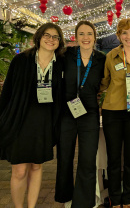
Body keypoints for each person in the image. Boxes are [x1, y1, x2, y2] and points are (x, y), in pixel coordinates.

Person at [0, 23, 65, 208]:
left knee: (36, 166)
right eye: (47, 35)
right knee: (19, 170)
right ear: (39, 36)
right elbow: (7, 93)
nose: (51, 39)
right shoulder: (21, 60)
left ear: (59, 42)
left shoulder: (60, 63)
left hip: (44, 123)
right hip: (19, 121)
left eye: (55, 37)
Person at [55, 20, 106, 208]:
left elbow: (105, 81)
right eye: (82, 34)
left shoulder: (101, 59)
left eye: (89, 34)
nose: (86, 38)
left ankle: (83, 201)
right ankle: (64, 193)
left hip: (90, 112)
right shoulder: (65, 55)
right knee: (65, 154)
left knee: (87, 157)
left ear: (95, 37)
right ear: (75, 37)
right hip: (67, 111)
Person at [100, 18, 130, 208]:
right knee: (113, 159)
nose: (128, 36)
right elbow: (104, 82)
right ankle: (114, 198)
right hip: (112, 112)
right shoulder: (111, 56)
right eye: (124, 32)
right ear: (119, 35)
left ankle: (127, 199)